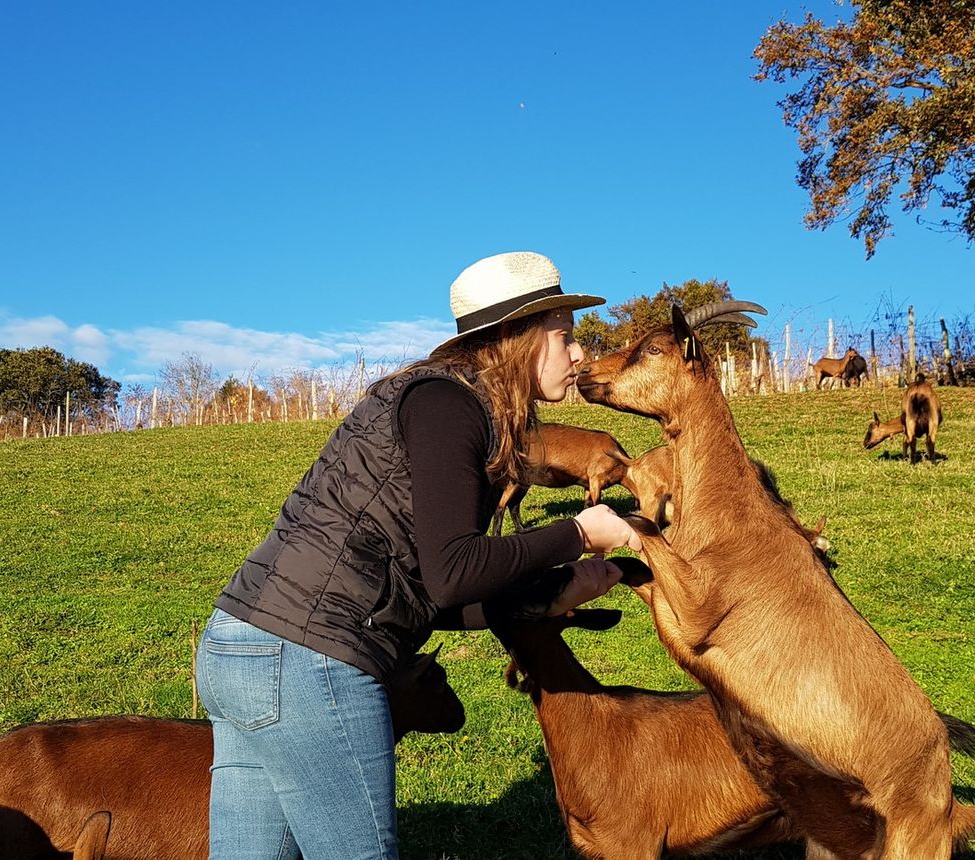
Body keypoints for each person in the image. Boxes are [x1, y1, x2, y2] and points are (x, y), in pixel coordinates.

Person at [194, 251, 642, 860]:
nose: (579, 353)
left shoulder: (436, 402)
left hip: (245, 646)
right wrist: (579, 533)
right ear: (517, 339)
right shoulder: (448, 406)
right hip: (308, 660)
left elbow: (423, 590)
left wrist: (546, 594)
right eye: (565, 337)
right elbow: (455, 571)